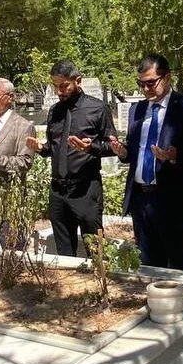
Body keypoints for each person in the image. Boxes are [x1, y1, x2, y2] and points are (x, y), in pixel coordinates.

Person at [109, 54, 183, 271]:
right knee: (148, 266)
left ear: (167, 78)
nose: (145, 89)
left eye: (150, 83)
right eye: (141, 84)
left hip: (176, 201)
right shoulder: (136, 110)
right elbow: (133, 150)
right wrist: (123, 152)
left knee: (181, 264)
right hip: (142, 200)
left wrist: (176, 155)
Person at [26, 60, 117, 257]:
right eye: (55, 86)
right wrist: (41, 148)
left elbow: (114, 147)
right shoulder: (54, 112)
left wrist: (90, 147)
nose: (59, 91)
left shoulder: (98, 108)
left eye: (64, 85)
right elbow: (53, 147)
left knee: (95, 249)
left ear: (78, 81)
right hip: (58, 191)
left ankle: (98, 284)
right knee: (64, 253)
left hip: (85, 190)